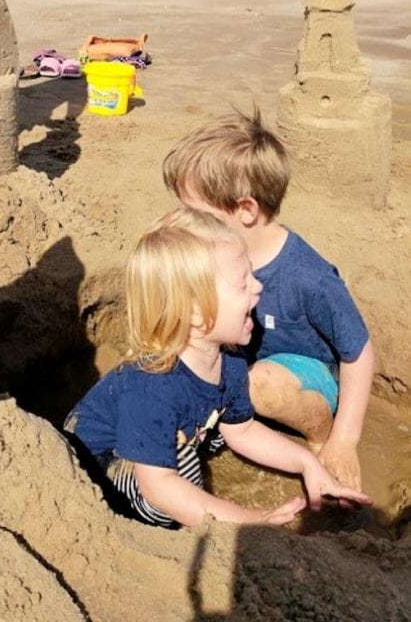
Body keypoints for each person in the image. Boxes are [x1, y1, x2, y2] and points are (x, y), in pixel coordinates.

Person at [63, 208, 370, 529]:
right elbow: (160, 487)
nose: (258, 287)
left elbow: (243, 431)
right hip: (101, 460)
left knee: (224, 425)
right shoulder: (152, 386)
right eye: (242, 283)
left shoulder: (230, 360)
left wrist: (307, 463)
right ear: (194, 312)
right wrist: (251, 520)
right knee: (172, 484)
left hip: (167, 431)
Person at [162, 108, 375, 493]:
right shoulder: (215, 256)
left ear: (245, 210)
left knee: (262, 386)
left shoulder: (308, 278)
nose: (185, 223)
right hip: (245, 366)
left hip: (306, 378)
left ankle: (320, 438)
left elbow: (357, 353)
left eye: (195, 213)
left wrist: (345, 438)